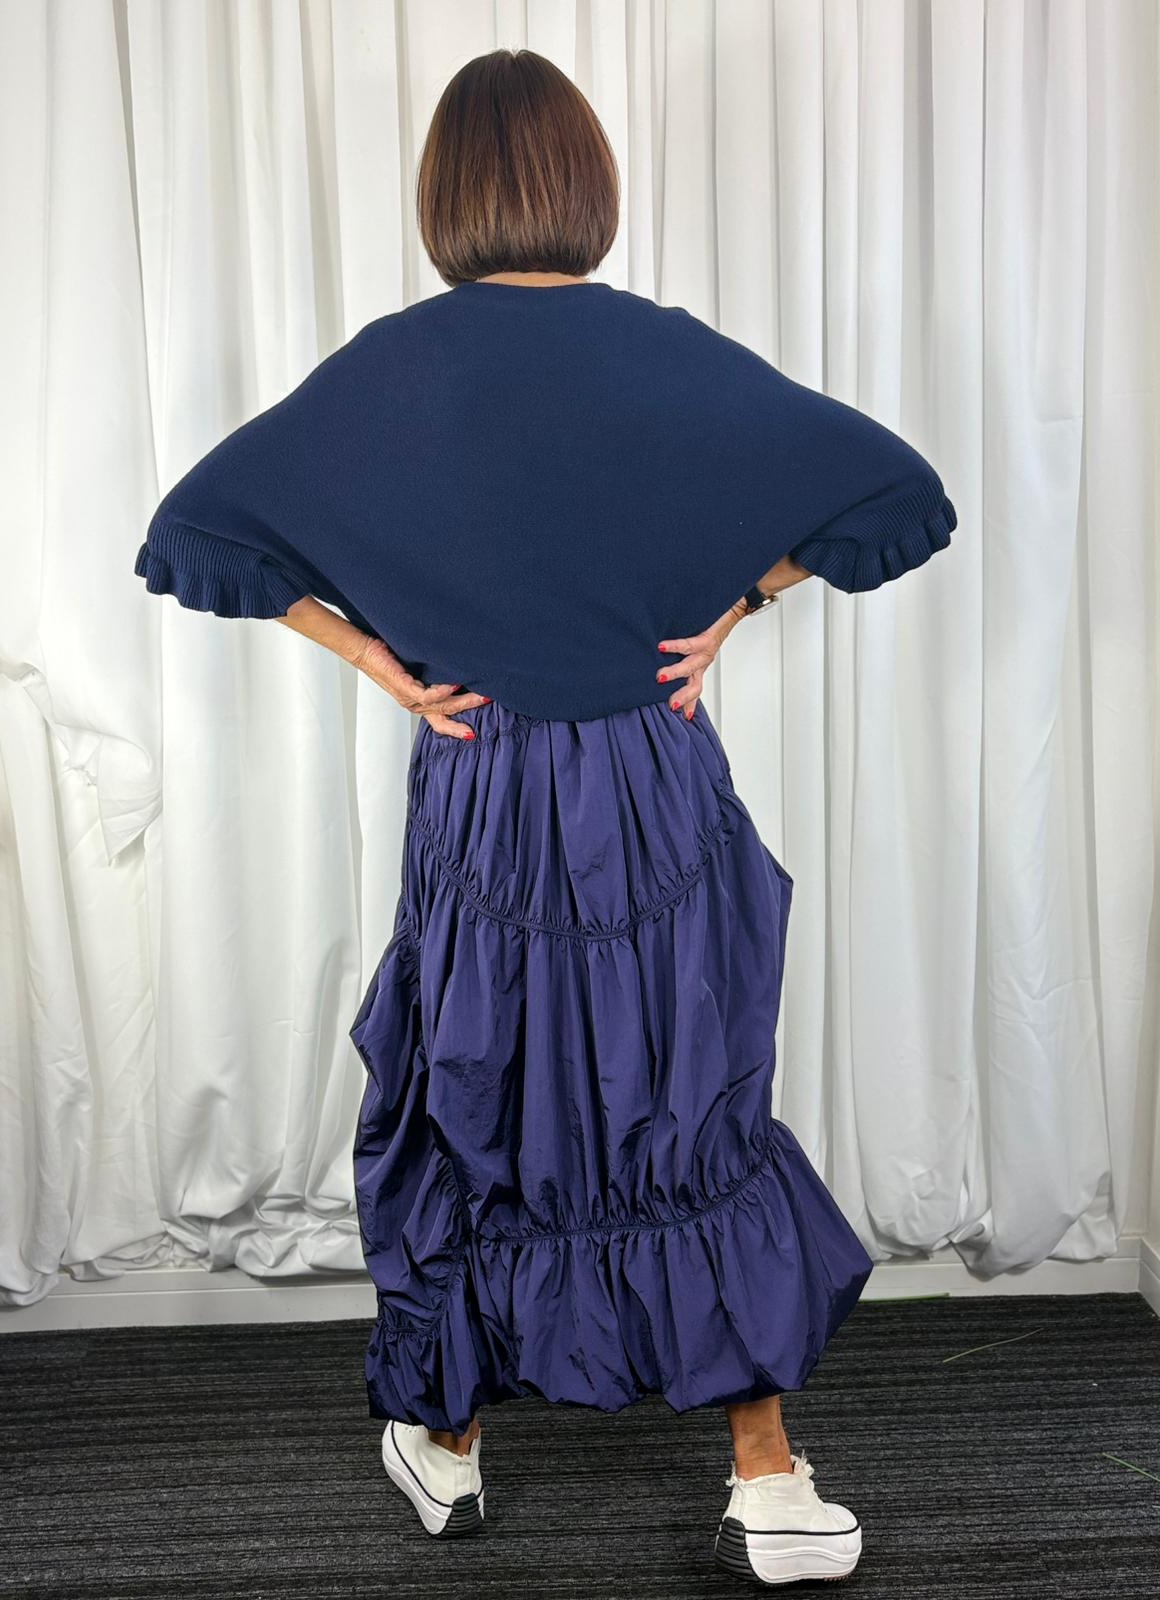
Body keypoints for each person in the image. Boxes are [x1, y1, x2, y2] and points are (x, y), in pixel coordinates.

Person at [135, 47, 955, 1589]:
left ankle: (447, 1444)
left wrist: (381, 663)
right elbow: (897, 494)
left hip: (488, 786)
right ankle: (767, 1479)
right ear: (588, 181)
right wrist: (741, 605)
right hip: (651, 780)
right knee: (689, 1100)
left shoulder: (394, 365)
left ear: (446, 192)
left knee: (480, 1100)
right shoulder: (668, 352)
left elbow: (195, 533)